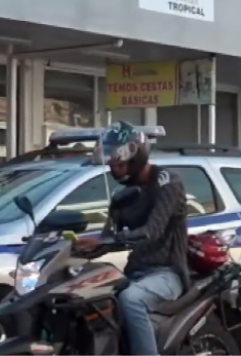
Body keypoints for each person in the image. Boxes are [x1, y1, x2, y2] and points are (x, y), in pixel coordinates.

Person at [74, 122, 187, 356]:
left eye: (120, 164)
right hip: (134, 271)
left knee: (131, 300)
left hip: (167, 272)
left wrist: (111, 239)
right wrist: (77, 250)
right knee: (88, 299)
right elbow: (108, 236)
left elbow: (152, 230)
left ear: (136, 157)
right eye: (113, 165)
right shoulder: (122, 193)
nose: (115, 170)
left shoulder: (168, 183)